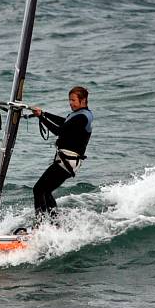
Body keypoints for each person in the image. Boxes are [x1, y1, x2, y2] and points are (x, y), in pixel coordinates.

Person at [30, 86, 93, 221]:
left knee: (38, 190)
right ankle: (55, 223)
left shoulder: (82, 117)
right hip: (67, 161)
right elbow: (64, 122)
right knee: (45, 191)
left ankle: (40, 225)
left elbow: (59, 131)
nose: (70, 103)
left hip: (67, 161)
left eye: (73, 100)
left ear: (83, 100)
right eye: (69, 100)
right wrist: (44, 113)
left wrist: (41, 117)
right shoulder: (78, 114)